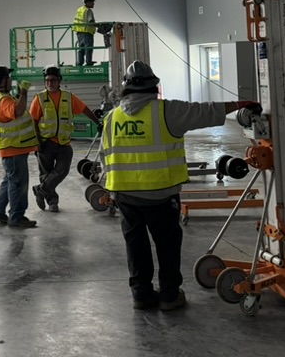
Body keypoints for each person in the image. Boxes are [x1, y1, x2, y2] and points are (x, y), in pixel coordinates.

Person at [101, 60, 260, 312]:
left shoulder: (112, 117)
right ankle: (169, 295)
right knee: (167, 245)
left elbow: (104, 155)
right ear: (154, 87)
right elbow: (206, 111)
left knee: (136, 245)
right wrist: (242, 104)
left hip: (125, 195)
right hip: (161, 195)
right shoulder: (167, 111)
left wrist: (111, 190)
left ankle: (141, 295)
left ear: (126, 89)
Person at [29, 65, 101, 212]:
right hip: (45, 142)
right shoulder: (39, 98)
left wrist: (97, 122)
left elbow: (84, 109)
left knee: (63, 170)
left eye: (53, 80)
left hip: (64, 142)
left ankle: (40, 190)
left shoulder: (68, 97)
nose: (50, 83)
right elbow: (33, 121)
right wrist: (37, 141)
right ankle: (52, 202)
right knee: (46, 173)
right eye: (47, 80)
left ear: (59, 81)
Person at [0, 65, 39, 229]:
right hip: (14, 148)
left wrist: (19, 95)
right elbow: (17, 111)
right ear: (3, 81)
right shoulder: (4, 101)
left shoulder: (0, 97)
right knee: (18, 184)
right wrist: (24, 92)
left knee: (9, 181)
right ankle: (16, 216)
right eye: (9, 78)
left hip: (12, 149)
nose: (11, 81)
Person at [73, 0, 97, 66]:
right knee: (88, 48)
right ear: (88, 2)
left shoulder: (80, 9)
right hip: (87, 32)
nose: (93, 4)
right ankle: (88, 62)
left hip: (79, 32)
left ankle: (80, 62)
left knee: (81, 48)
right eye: (92, 2)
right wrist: (99, 25)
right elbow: (90, 22)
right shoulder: (88, 10)